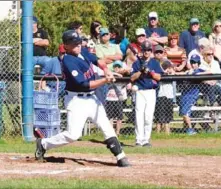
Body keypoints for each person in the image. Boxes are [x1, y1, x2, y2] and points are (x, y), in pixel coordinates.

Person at [34, 30, 130, 167]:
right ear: (66, 46)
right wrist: (105, 80)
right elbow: (83, 84)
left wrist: (107, 70)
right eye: (74, 44)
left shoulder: (82, 51)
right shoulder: (67, 60)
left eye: (78, 42)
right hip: (76, 100)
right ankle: (43, 143)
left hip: (92, 98)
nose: (78, 46)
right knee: (73, 135)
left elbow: (98, 61)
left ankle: (121, 157)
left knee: (106, 126)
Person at [130, 40, 163, 147]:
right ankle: (139, 139)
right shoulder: (137, 63)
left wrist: (150, 72)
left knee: (148, 116)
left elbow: (159, 77)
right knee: (139, 116)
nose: (146, 52)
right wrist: (141, 71)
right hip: (140, 91)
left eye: (149, 50)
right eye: (145, 49)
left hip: (151, 91)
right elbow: (132, 77)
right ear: (142, 50)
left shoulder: (155, 63)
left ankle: (146, 139)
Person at [179, 55, 210, 135]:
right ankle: (186, 129)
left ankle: (189, 129)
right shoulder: (189, 71)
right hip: (184, 94)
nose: (193, 64)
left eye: (195, 62)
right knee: (184, 113)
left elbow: (210, 72)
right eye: (192, 62)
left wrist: (197, 73)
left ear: (198, 63)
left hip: (192, 94)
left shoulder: (199, 70)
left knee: (184, 112)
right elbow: (182, 73)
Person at [105, 62, 128, 136]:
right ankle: (111, 132)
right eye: (115, 67)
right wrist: (115, 74)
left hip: (118, 99)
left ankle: (117, 132)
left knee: (120, 117)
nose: (117, 68)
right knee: (110, 117)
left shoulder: (122, 76)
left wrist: (119, 74)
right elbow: (110, 76)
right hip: (110, 99)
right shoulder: (110, 74)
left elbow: (122, 77)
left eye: (118, 67)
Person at [154, 60, 174, 134]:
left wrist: (171, 72)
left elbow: (174, 73)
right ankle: (158, 133)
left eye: (169, 67)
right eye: (166, 67)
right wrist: (163, 71)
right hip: (161, 95)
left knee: (168, 117)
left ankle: (167, 132)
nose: (168, 69)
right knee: (159, 117)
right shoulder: (160, 74)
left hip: (169, 96)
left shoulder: (171, 74)